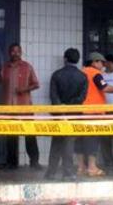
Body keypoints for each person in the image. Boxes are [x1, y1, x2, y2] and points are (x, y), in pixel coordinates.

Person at [77, 52, 113, 177]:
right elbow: (105, 88)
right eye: (101, 62)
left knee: (80, 139)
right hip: (93, 112)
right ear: (94, 62)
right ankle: (92, 168)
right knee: (93, 139)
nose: (103, 65)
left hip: (81, 111)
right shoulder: (95, 74)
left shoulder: (81, 72)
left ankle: (81, 167)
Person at [45, 48, 88, 181]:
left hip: (59, 114)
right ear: (78, 60)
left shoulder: (56, 75)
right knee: (69, 143)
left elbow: (53, 96)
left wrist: (61, 109)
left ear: (65, 59)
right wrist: (70, 107)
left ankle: (51, 172)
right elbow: (81, 98)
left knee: (56, 142)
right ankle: (68, 173)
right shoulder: (82, 77)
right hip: (74, 114)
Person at [1, 43, 41, 169]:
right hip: (9, 107)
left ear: (21, 52)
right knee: (11, 136)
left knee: (30, 135)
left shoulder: (27, 67)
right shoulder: (4, 67)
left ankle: (34, 162)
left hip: (25, 107)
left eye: (17, 51)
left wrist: (24, 89)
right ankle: (11, 163)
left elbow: (36, 84)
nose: (15, 53)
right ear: (9, 53)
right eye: (13, 51)